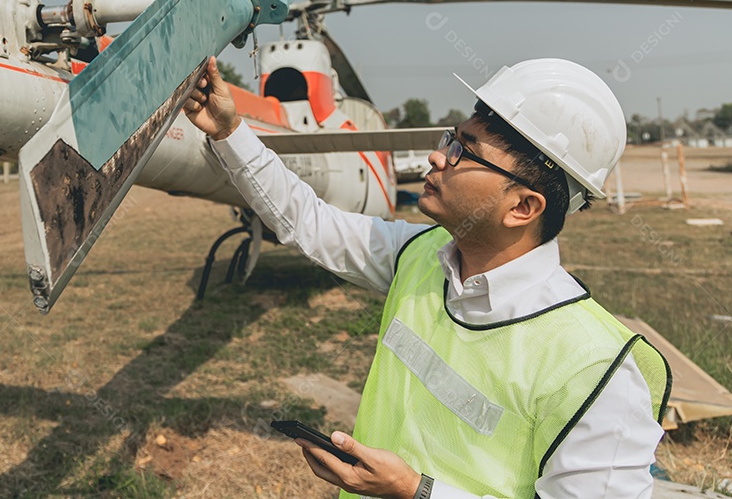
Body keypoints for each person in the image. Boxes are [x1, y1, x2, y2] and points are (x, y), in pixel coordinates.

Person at [184, 56, 671, 499]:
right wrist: (229, 132)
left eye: (464, 151)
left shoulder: (597, 371)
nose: (438, 157)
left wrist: (417, 492)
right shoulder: (418, 257)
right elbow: (308, 222)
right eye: (449, 139)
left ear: (523, 207)